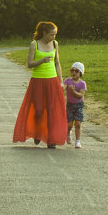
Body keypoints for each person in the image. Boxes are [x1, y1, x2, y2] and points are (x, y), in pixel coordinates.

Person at [12, 21, 67, 149]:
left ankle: (51, 140)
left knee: (52, 110)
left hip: (52, 80)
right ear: (44, 33)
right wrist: (42, 60)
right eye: (52, 34)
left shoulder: (55, 44)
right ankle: (37, 133)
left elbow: (57, 63)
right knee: (39, 110)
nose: (54, 37)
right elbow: (29, 64)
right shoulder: (34, 44)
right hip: (37, 81)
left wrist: (61, 81)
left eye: (55, 35)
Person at [64, 62, 87, 149]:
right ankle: (68, 133)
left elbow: (81, 95)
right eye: (72, 70)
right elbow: (63, 87)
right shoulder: (68, 80)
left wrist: (73, 91)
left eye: (76, 71)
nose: (73, 73)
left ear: (80, 73)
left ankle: (78, 141)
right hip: (70, 105)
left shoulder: (82, 83)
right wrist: (61, 87)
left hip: (79, 105)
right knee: (69, 124)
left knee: (77, 124)